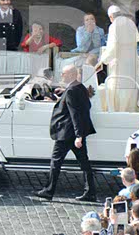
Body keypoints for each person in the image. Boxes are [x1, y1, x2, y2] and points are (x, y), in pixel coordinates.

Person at [34, 65, 96, 202]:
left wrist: (79, 136)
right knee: (84, 163)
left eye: (63, 73)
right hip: (74, 133)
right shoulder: (79, 87)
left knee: (55, 162)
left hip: (67, 134)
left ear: (70, 75)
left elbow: (75, 114)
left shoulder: (71, 91)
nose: (61, 75)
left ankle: (49, 191)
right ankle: (90, 191)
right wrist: (64, 93)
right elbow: (84, 107)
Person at [96, 5, 139, 112]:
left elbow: (113, 48)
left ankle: (117, 113)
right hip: (132, 63)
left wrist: (102, 61)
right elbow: (137, 39)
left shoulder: (114, 26)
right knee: (130, 92)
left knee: (118, 94)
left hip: (120, 66)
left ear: (111, 17)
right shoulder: (130, 22)